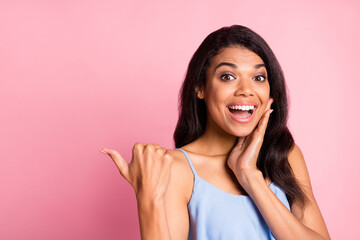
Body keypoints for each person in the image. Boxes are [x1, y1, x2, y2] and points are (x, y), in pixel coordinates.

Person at [101, 25, 331, 240]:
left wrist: (250, 176)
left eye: (258, 77)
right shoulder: (176, 168)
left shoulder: (284, 155)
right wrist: (148, 198)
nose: (246, 90)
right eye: (228, 77)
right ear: (200, 88)